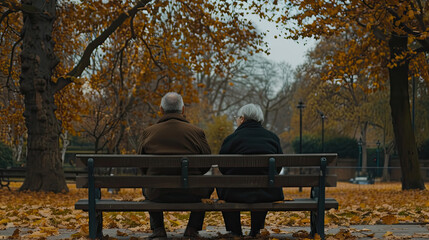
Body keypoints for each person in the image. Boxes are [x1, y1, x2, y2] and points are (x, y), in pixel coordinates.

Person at [139, 92, 213, 239]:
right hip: (192, 192)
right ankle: (192, 228)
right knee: (207, 185)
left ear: (161, 109)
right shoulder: (196, 132)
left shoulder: (148, 133)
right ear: (183, 110)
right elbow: (206, 164)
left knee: (148, 183)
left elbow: (142, 166)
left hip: (158, 192)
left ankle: (158, 229)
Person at [217, 103, 284, 237]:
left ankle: (235, 230)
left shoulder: (231, 139)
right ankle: (256, 230)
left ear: (242, 119)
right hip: (267, 192)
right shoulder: (272, 138)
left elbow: (222, 167)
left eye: (237, 118)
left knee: (223, 185)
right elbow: (278, 166)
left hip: (234, 192)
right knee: (264, 185)